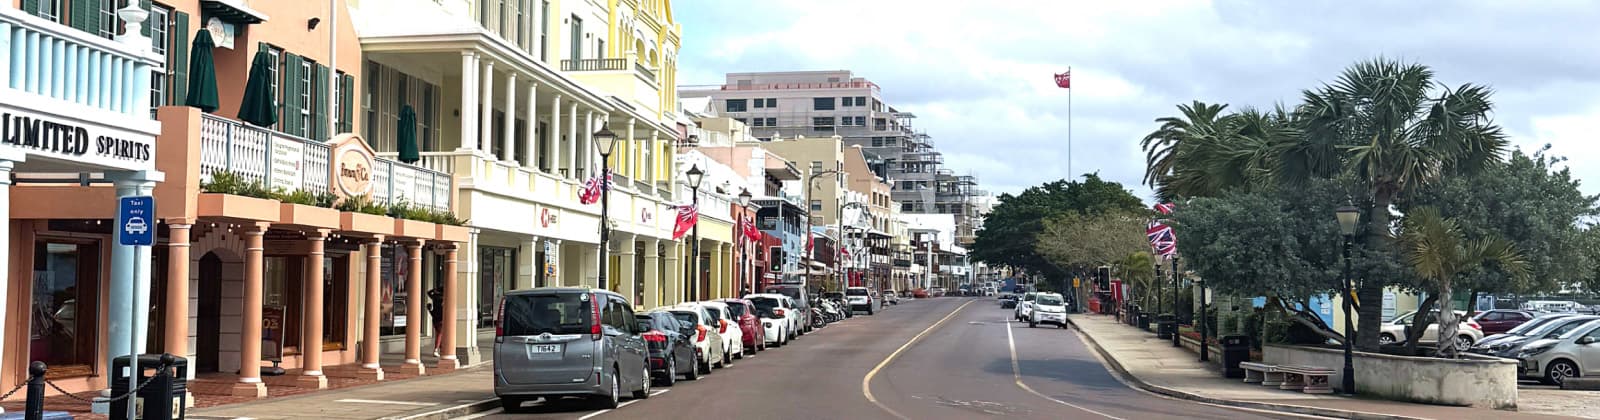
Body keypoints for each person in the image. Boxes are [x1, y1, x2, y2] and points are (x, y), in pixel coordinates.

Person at [428, 286, 445, 357]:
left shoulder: (435, 297)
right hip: (441, 318)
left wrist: (434, 290)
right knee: (440, 334)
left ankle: (440, 349)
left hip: (435, 317)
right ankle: (436, 349)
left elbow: (428, 293)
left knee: (439, 333)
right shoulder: (443, 298)